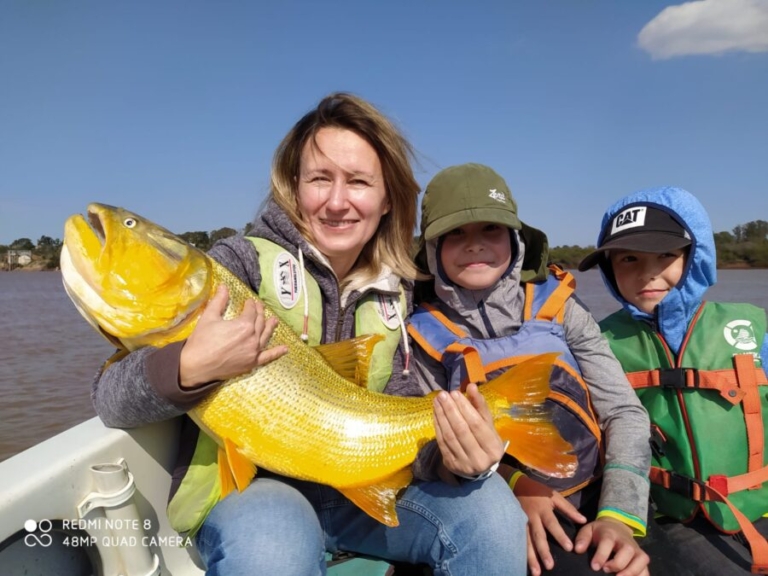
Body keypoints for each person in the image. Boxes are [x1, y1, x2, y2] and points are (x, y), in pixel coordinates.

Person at [91, 94, 527, 575]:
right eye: (320, 178)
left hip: (361, 489)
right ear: (293, 186)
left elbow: (403, 418)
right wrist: (187, 367)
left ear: (387, 200)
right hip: (251, 494)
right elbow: (111, 400)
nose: (337, 201)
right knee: (273, 544)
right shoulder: (233, 267)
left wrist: (455, 459)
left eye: (359, 182)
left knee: (491, 513)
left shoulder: (399, 292)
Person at [408, 163, 654, 576]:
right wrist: (515, 484)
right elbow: (430, 450)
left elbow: (624, 413)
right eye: (455, 234)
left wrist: (617, 517)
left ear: (515, 238)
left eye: (491, 229)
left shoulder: (562, 308)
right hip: (490, 506)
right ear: (432, 249)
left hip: (590, 506)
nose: (474, 245)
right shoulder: (421, 334)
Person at [578, 185, 768, 575]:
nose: (647, 272)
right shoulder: (596, 343)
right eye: (628, 258)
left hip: (759, 504)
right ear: (609, 268)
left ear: (694, 257)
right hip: (669, 519)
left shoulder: (754, 324)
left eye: (665, 254)